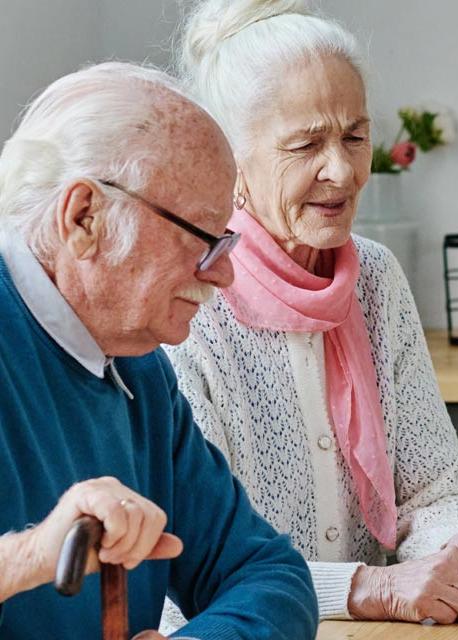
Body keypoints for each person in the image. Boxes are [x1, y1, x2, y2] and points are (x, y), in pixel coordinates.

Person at [160, 0, 458, 628]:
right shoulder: (187, 298)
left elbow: (431, 488)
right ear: (231, 160)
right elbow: (193, 564)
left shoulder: (375, 276)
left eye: (355, 136)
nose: (342, 170)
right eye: (306, 145)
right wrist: (368, 587)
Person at [0, 62, 315, 639]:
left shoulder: (139, 368)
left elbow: (268, 574)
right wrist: (33, 555)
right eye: (201, 237)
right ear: (84, 217)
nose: (223, 276)